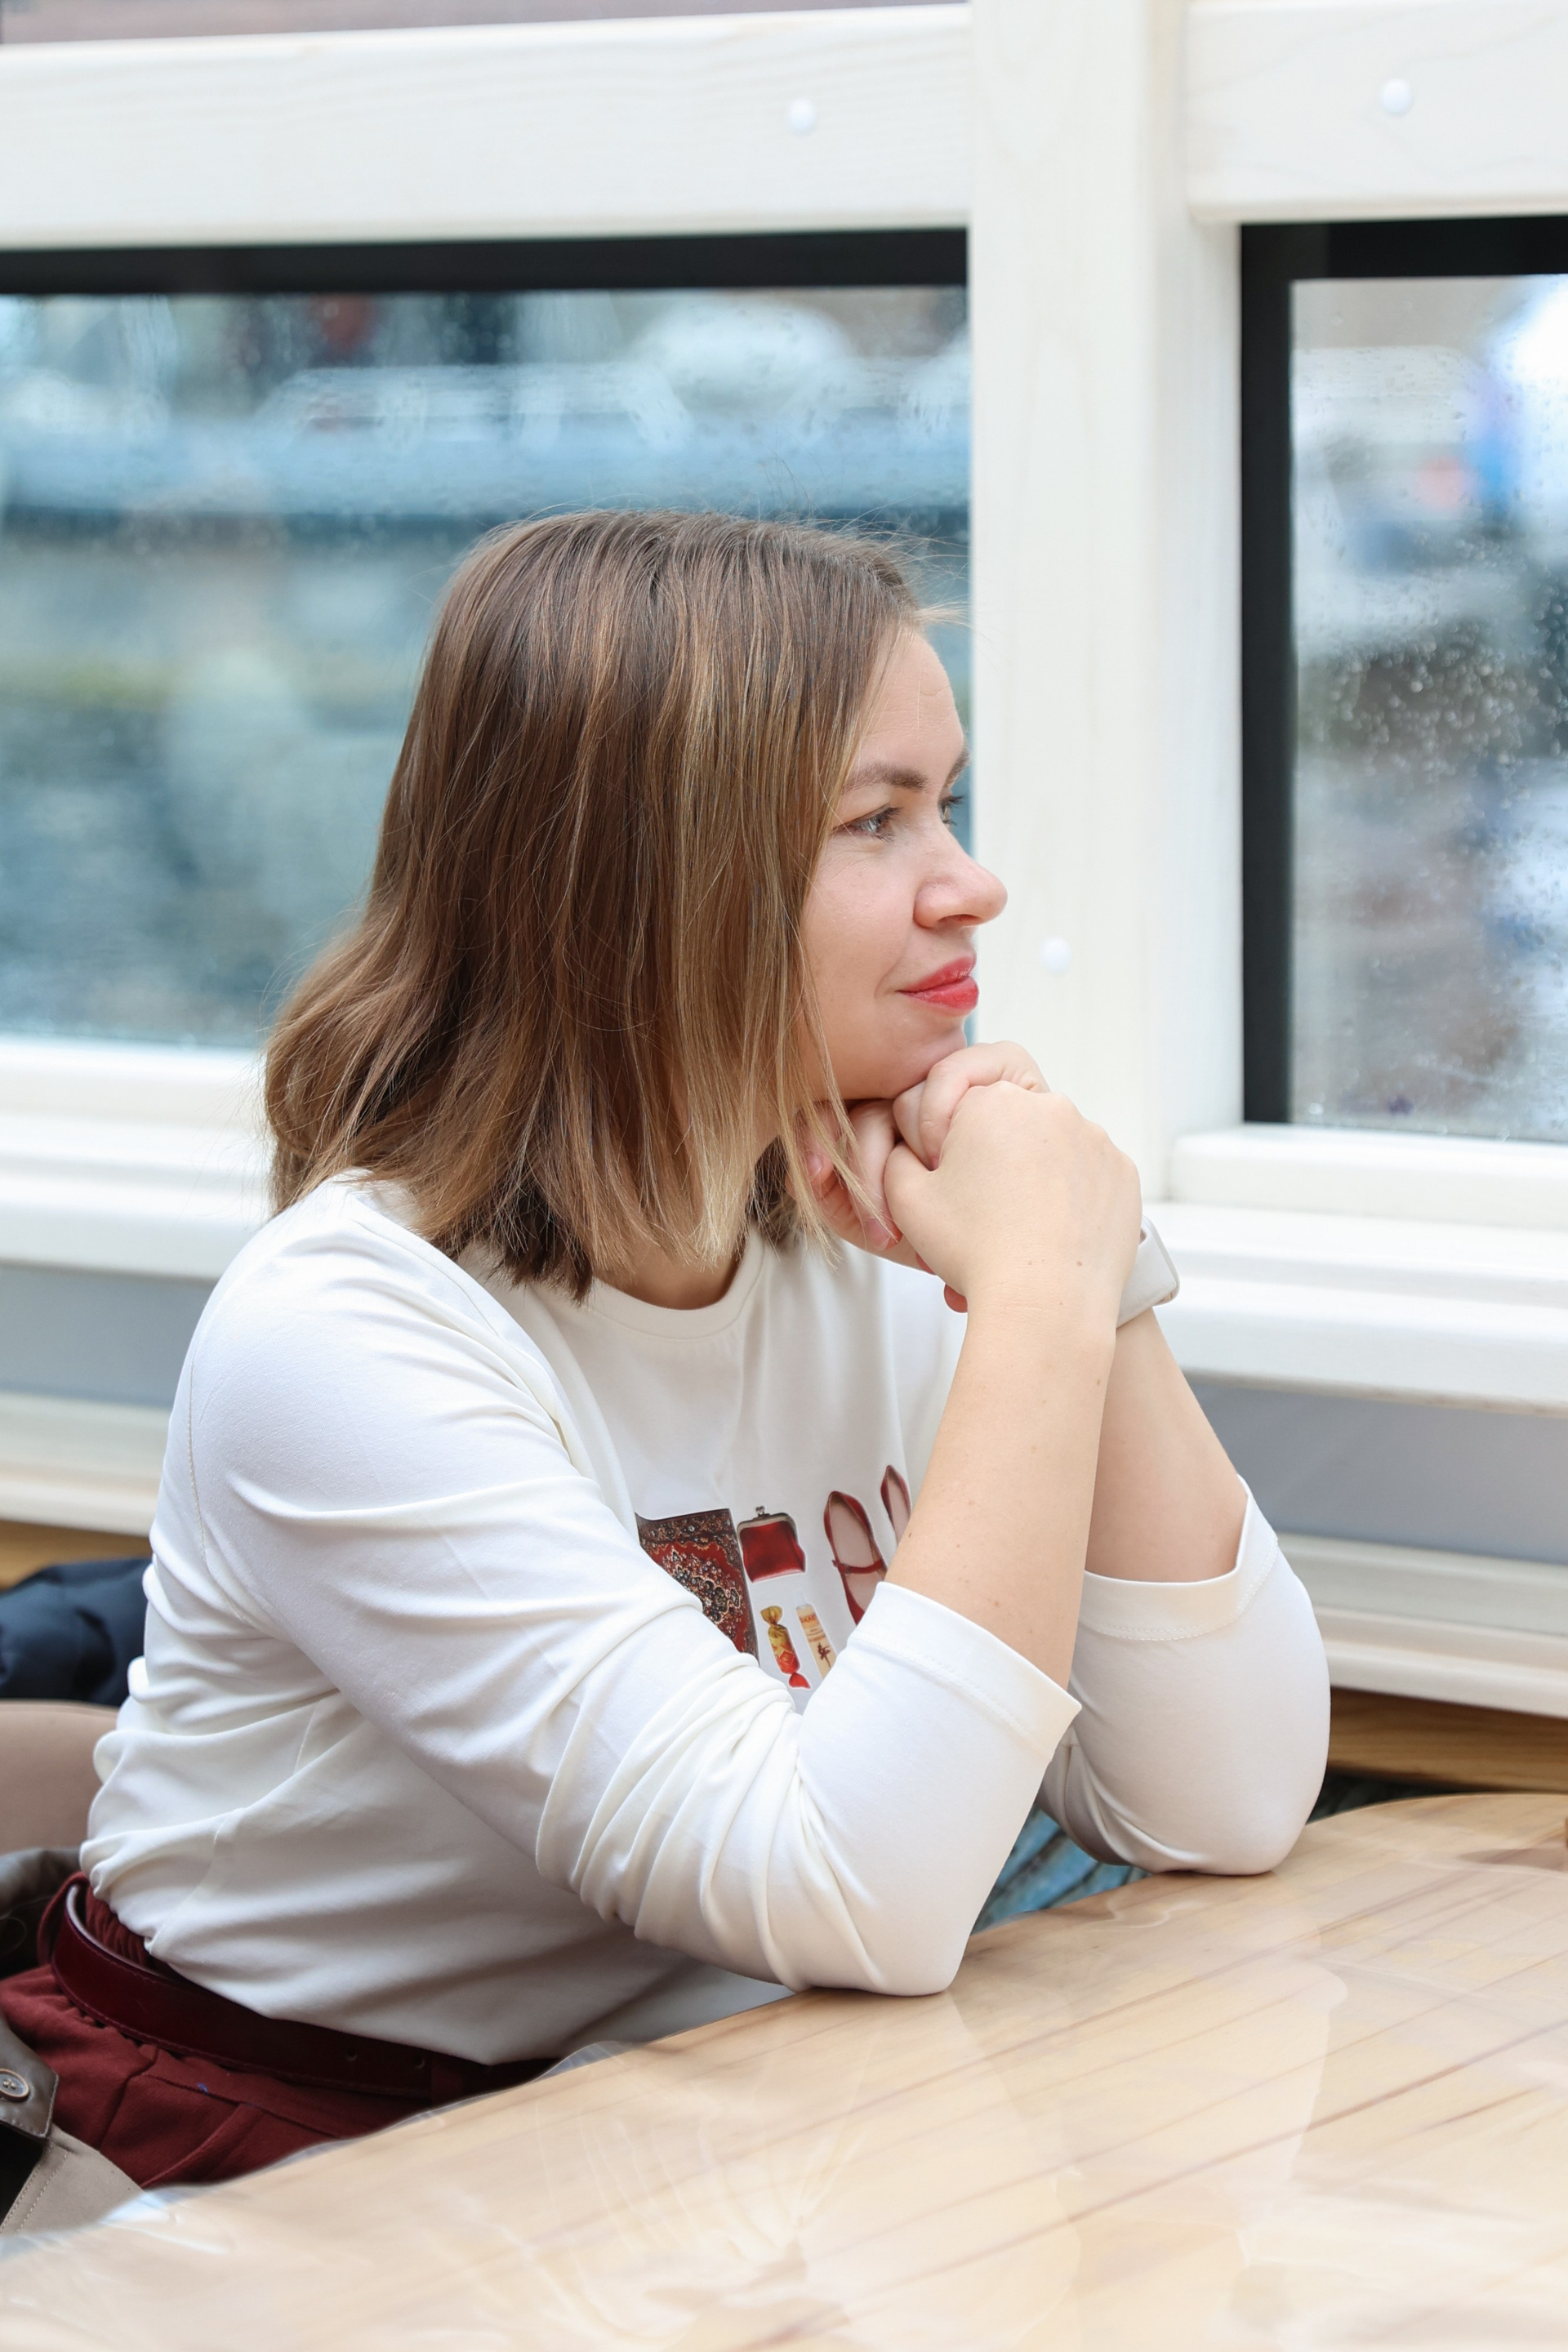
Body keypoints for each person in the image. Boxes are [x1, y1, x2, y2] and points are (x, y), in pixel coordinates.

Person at [0, 512, 1329, 2191]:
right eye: (876, 820)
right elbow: (859, 1888)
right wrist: (1046, 1294)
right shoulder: (342, 1329)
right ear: (651, 882)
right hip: (276, 2165)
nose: (971, 882)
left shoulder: (884, 1231)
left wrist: (1089, 1268)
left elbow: (1222, 1801)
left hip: (704, 2124)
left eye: (950, 801)